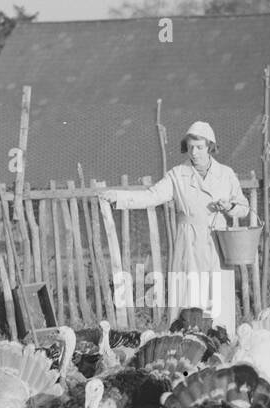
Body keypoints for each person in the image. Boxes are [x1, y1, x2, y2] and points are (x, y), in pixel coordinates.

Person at [101, 120, 250, 327]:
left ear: (210, 147)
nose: (194, 153)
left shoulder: (226, 174)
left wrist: (228, 207)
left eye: (199, 147)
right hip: (188, 243)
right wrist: (118, 196)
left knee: (217, 298)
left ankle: (221, 343)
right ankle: (185, 343)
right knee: (188, 297)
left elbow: (244, 208)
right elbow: (151, 196)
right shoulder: (177, 175)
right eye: (190, 148)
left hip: (218, 242)